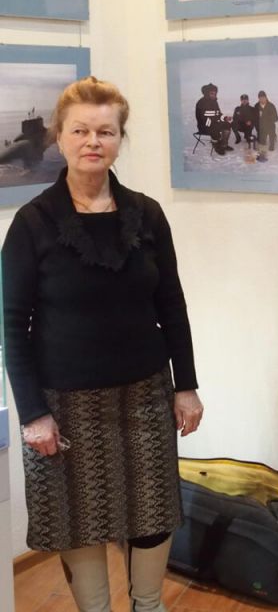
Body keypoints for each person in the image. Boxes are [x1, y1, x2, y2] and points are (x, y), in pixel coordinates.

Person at [2, 76, 204, 612]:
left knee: (153, 508)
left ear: (119, 138)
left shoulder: (148, 214)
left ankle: (148, 604)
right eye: (80, 130)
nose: (93, 141)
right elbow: (12, 326)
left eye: (105, 131)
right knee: (79, 515)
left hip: (145, 394)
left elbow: (172, 306)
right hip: (65, 403)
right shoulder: (32, 224)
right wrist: (33, 414)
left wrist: (186, 386)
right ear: (59, 137)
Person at [195, 82, 232, 155]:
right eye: (212, 93)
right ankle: (216, 145)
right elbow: (204, 116)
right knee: (215, 127)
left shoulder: (214, 102)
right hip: (204, 125)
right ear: (207, 93)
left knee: (227, 124)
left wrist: (225, 118)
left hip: (213, 123)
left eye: (215, 93)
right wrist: (217, 120)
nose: (214, 95)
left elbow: (218, 113)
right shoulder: (201, 102)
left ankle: (224, 144)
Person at [254, 90, 278, 162]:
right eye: (260, 98)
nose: (262, 99)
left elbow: (276, 118)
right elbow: (255, 118)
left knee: (271, 147)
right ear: (258, 98)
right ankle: (262, 155)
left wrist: (268, 118)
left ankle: (272, 139)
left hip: (270, 125)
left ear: (266, 97)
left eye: (263, 97)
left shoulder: (271, 106)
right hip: (261, 127)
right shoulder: (256, 106)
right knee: (261, 142)